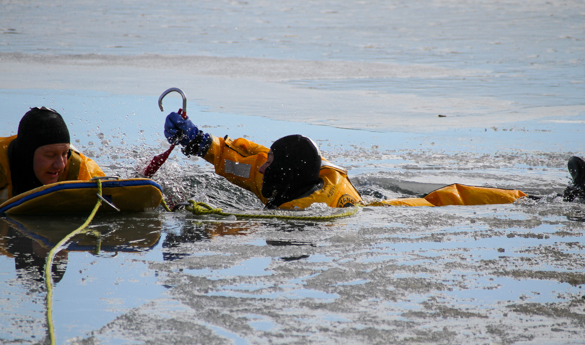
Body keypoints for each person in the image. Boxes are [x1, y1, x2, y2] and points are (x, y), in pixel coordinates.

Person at [164, 112, 585, 210]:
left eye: (272, 159)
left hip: (372, 206)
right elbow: (248, 160)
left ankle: (551, 200)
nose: (264, 162)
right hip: (358, 187)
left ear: (286, 174)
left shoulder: (315, 206)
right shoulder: (280, 174)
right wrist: (199, 141)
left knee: (447, 196)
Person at [0, 107, 105, 206]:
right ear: (27, 155)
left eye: (64, 153)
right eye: (50, 155)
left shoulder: (80, 167)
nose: (60, 164)